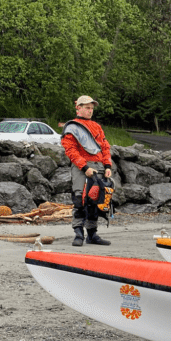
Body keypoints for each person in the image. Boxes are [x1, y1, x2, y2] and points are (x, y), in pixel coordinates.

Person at [61, 95, 112, 246]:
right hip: (81, 167)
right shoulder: (72, 127)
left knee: (96, 201)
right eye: (87, 108)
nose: (90, 111)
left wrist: (107, 166)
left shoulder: (97, 126)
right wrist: (84, 167)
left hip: (98, 166)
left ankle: (92, 234)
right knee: (79, 199)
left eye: (91, 108)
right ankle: (78, 234)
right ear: (78, 108)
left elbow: (105, 147)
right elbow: (70, 150)